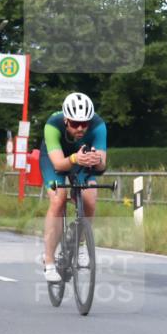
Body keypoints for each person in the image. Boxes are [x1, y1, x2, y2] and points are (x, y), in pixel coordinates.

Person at [39, 92, 107, 282]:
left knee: (90, 199)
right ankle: (49, 260)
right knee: (58, 199)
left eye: (84, 123)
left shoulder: (99, 126)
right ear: (66, 120)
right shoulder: (53, 125)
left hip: (83, 159)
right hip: (56, 160)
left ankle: (81, 244)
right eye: (75, 123)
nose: (80, 128)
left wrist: (96, 160)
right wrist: (76, 158)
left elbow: (102, 166)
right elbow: (59, 164)